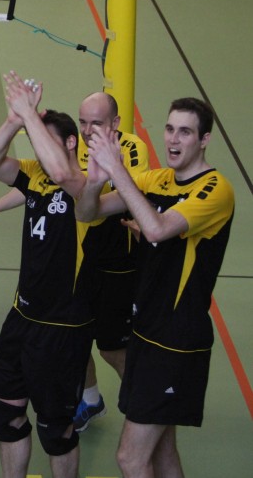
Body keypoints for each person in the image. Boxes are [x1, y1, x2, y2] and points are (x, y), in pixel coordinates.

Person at [76, 97, 234, 478]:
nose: (173, 139)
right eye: (169, 129)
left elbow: (156, 229)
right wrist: (97, 179)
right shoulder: (157, 180)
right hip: (146, 332)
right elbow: (87, 212)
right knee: (162, 454)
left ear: (204, 139)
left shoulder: (215, 190)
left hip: (176, 341)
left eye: (185, 132)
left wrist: (118, 170)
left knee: (131, 458)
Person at [0, 72, 96, 478]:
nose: (37, 149)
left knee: (55, 430)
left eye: (42, 138)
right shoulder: (33, 175)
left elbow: (64, 175)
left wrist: (31, 115)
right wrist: (15, 120)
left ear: (70, 143)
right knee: (4, 414)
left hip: (63, 327)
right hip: (22, 317)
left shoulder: (87, 182)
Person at [72, 91, 149, 431]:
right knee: (73, 337)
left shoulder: (132, 147)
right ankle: (90, 400)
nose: (87, 131)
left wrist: (93, 188)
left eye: (96, 123)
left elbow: (128, 193)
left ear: (115, 123)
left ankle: (144, 409)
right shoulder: (73, 145)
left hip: (120, 267)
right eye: (82, 122)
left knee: (112, 349)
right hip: (80, 260)